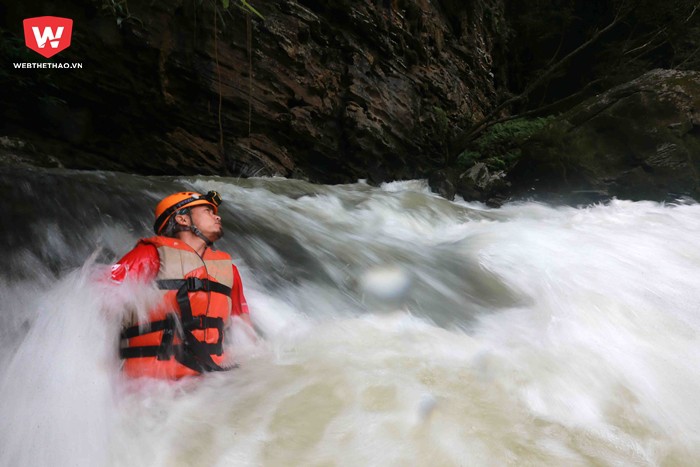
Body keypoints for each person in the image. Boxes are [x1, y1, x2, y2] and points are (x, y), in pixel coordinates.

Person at [111, 190, 252, 379]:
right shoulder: (149, 255)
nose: (217, 216)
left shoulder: (230, 271)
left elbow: (243, 327)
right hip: (152, 385)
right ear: (182, 219)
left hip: (213, 381)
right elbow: (100, 297)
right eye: (207, 211)